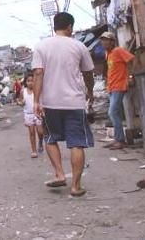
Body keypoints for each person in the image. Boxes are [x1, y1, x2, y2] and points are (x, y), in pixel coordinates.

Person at [32, 12, 95, 197]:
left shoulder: (41, 46)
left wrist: (36, 100)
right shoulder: (79, 46)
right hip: (74, 102)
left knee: (50, 138)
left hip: (50, 102)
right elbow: (88, 73)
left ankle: (60, 174)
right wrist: (90, 92)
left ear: (54, 27)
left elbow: (38, 73)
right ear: (70, 27)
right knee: (77, 143)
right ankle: (75, 186)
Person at [100, 32, 135, 150]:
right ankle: (117, 139)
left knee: (112, 112)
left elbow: (131, 60)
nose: (104, 42)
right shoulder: (108, 54)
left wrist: (130, 77)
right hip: (112, 87)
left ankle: (120, 140)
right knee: (116, 113)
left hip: (119, 86)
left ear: (112, 41)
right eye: (102, 40)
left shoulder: (118, 51)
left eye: (106, 40)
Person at [19, 73, 44, 158]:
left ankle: (40, 141)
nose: (30, 83)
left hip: (37, 113)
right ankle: (34, 150)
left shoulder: (38, 90)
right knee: (32, 132)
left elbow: (42, 100)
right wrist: (21, 103)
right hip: (28, 114)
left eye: (32, 81)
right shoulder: (23, 91)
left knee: (40, 132)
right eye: (28, 81)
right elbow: (19, 101)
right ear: (25, 82)